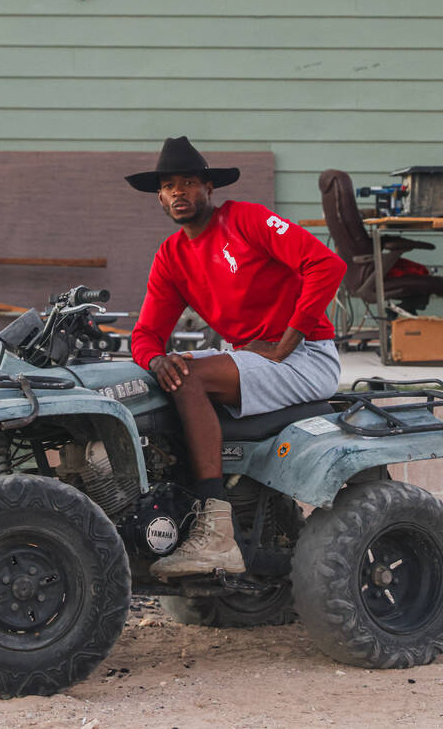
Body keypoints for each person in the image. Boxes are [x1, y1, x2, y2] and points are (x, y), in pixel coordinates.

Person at [126, 136, 347, 579]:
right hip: (247, 357)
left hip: (304, 357)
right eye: (169, 186)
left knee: (189, 377)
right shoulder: (171, 256)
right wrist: (153, 360)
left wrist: (287, 342)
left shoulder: (245, 220)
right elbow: (147, 333)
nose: (178, 193)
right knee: (156, 380)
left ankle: (216, 532)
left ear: (209, 189)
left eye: (188, 183)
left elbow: (327, 266)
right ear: (160, 197)